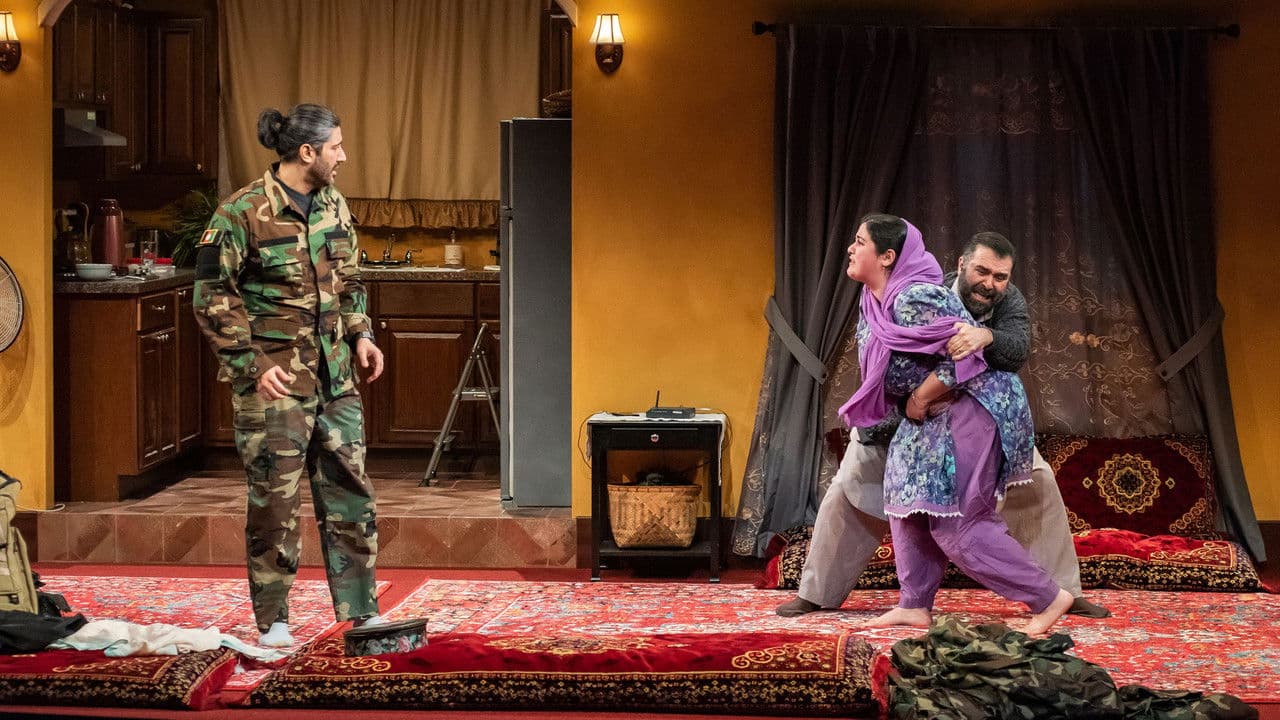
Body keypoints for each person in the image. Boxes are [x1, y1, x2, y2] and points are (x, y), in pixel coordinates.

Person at [777, 231, 1109, 620]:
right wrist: (912, 405)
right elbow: (884, 367)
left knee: (1038, 482)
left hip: (971, 416)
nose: (990, 284)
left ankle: (1062, 591)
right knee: (847, 490)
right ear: (961, 265)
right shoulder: (923, 292)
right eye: (982, 272)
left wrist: (985, 335)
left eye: (1000, 276)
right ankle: (818, 593)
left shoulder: (1007, 298)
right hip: (899, 420)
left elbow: (1015, 349)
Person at [193, 103, 386, 647]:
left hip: (336, 379)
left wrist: (362, 334)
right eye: (336, 147)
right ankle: (274, 619)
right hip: (274, 386)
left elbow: (349, 279)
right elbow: (212, 296)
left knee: (352, 494)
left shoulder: (333, 204)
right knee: (274, 503)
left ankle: (361, 611)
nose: (343, 156)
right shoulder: (241, 213)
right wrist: (251, 365)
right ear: (307, 152)